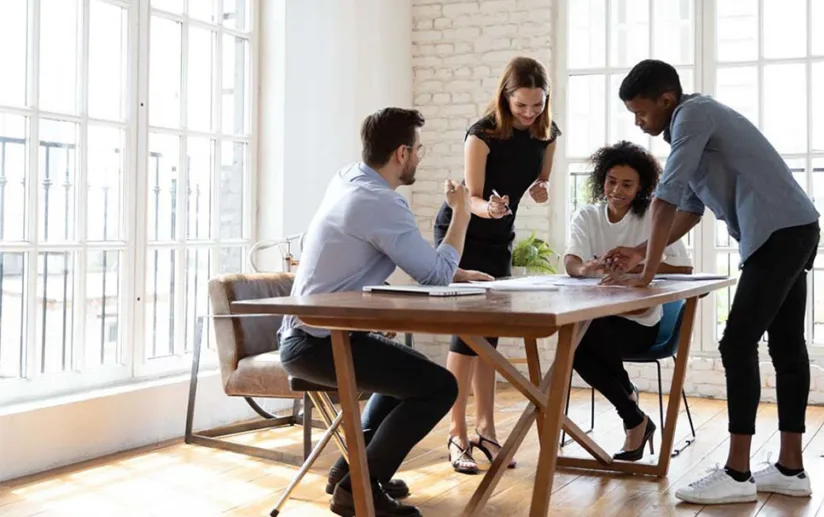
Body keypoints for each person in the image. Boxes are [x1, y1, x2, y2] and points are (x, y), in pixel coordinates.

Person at [603, 60, 821, 505]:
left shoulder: (692, 116)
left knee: (737, 343)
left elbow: (664, 195)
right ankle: (790, 468)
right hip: (793, 229)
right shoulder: (692, 126)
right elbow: (687, 209)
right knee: (785, 347)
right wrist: (642, 252)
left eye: (641, 112)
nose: (638, 123)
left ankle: (738, 474)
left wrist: (646, 273)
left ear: (666, 100)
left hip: (779, 234)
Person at [278, 107, 473, 517]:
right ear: (402, 153)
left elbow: (414, 260)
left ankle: (350, 471)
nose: (421, 157)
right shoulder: (380, 203)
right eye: (419, 149)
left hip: (313, 335)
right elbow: (435, 277)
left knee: (408, 373)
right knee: (440, 387)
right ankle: (358, 489)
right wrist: (462, 211)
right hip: (316, 344)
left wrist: (457, 269)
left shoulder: (349, 178)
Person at [432, 56, 560, 474]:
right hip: (463, 232)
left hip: (499, 239)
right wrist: (488, 207)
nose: (529, 114)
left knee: (489, 338)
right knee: (463, 338)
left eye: (537, 105)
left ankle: (486, 431)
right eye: (521, 105)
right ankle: (456, 435)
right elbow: (468, 199)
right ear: (506, 98)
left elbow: (540, 183)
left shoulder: (547, 135)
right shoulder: (481, 134)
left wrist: (540, 192)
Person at [564, 141, 693, 461]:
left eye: (627, 184)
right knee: (577, 340)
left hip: (642, 322)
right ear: (600, 180)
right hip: (597, 317)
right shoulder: (588, 215)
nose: (617, 190)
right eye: (610, 181)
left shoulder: (654, 215)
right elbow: (571, 261)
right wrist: (584, 268)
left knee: (582, 338)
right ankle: (634, 417)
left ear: (642, 187)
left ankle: (630, 410)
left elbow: (684, 269)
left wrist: (638, 265)